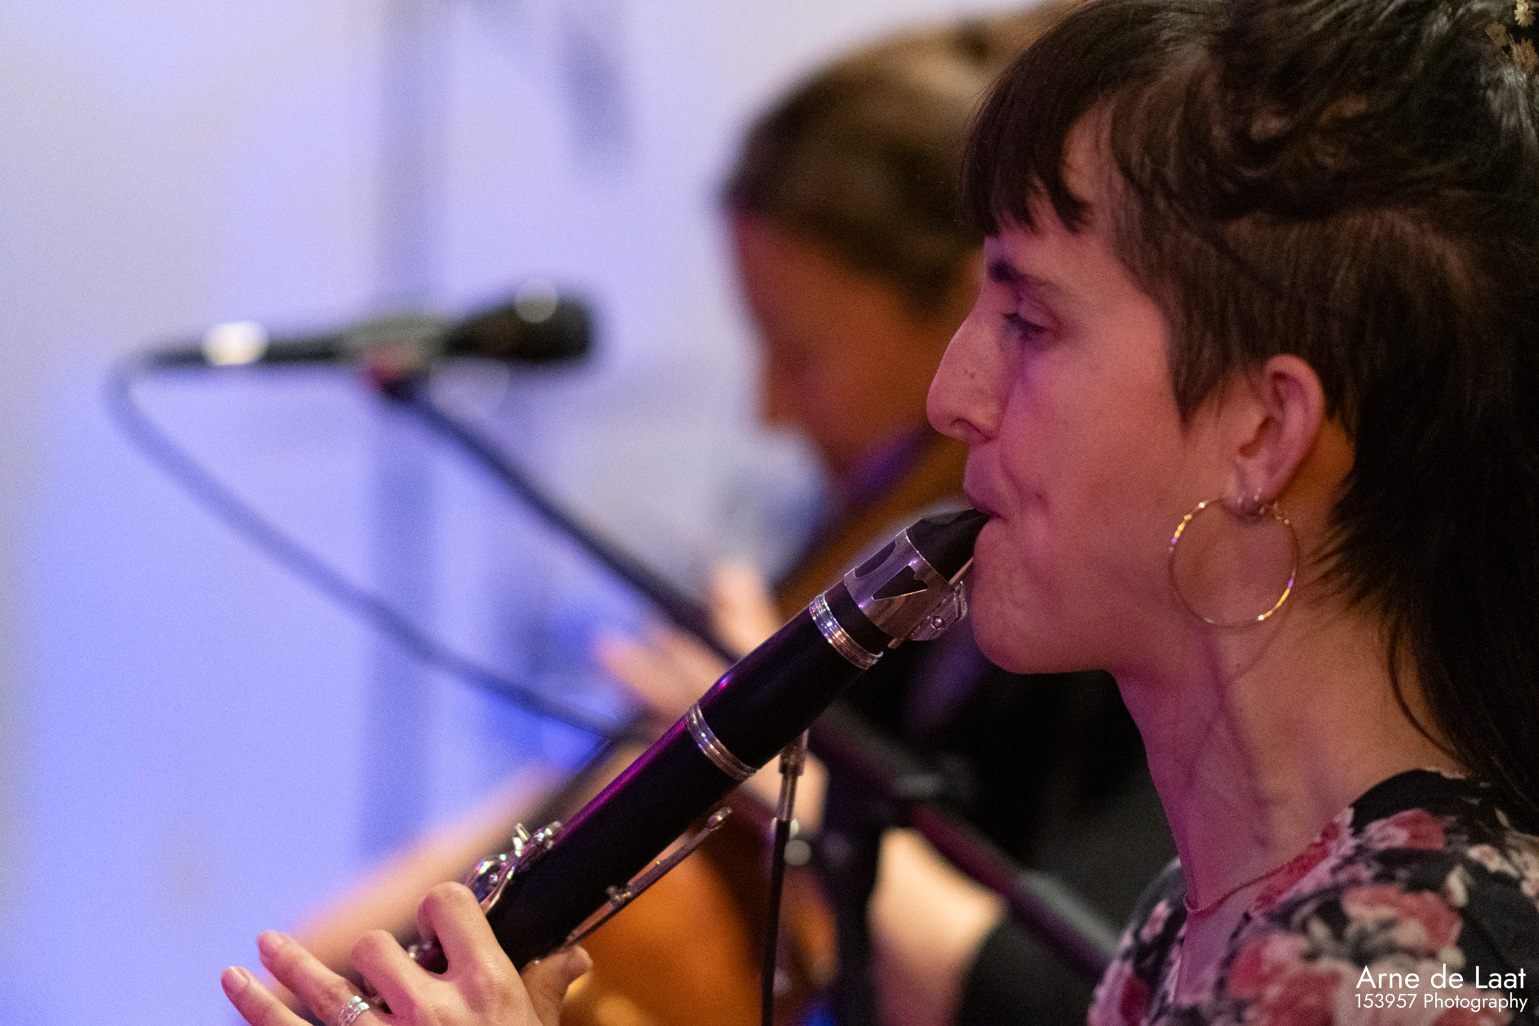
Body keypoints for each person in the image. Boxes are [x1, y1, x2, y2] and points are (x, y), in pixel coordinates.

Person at [222, 6, 1181, 1026]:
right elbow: (558, 811)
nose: (768, 409)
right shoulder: (889, 577)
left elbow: (1065, 998)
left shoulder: (1102, 617)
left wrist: (778, 784)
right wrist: (359, 960)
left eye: (799, 352)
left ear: (963, 308)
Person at [919, 0, 1539, 1021]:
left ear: (1262, 432)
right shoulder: (1203, 907)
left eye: (1028, 320)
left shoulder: (1375, 975)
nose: (952, 398)